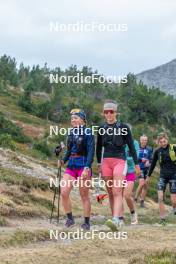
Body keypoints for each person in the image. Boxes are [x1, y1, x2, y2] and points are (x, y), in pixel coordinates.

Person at [96, 100, 140, 230]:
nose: (109, 114)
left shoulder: (124, 127)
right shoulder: (101, 128)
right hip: (106, 162)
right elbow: (98, 147)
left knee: (117, 190)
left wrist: (137, 164)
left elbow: (131, 146)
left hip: (120, 160)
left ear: (116, 113)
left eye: (111, 111)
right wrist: (99, 162)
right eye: (106, 112)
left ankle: (115, 219)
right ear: (103, 113)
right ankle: (118, 218)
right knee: (110, 192)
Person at [58, 109, 95, 230]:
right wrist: (63, 160)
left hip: (83, 165)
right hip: (71, 165)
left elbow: (91, 152)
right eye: (72, 118)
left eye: (75, 118)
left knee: (84, 195)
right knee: (64, 192)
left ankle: (86, 222)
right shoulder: (71, 133)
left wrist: (87, 168)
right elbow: (69, 150)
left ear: (82, 120)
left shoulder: (88, 132)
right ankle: (70, 219)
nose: (73, 120)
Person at [146, 133, 176, 225]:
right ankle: (162, 220)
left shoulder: (173, 148)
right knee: (160, 198)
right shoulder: (157, 151)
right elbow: (153, 164)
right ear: (158, 142)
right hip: (162, 176)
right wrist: (148, 176)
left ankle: (174, 208)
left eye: (164, 141)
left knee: (174, 201)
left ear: (167, 140)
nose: (163, 143)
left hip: (173, 175)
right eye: (161, 142)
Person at [123, 137, 139, 225]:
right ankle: (119, 217)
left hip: (130, 171)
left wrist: (123, 159)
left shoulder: (134, 143)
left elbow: (135, 156)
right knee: (118, 194)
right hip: (119, 171)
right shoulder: (117, 141)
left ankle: (133, 213)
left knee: (127, 195)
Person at [135, 135, 153, 207]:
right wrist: (140, 160)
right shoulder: (136, 148)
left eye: (145, 140)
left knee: (146, 186)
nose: (144, 141)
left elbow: (152, 158)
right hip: (139, 168)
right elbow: (134, 157)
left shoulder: (149, 149)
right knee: (142, 183)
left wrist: (149, 161)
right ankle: (135, 198)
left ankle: (142, 202)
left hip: (147, 169)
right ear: (140, 140)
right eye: (143, 140)